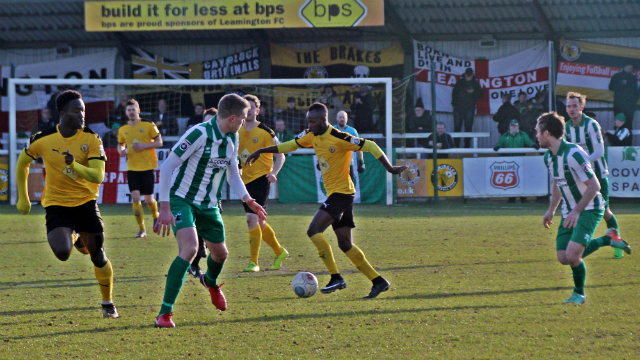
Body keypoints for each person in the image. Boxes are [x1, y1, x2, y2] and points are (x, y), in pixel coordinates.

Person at [245, 103, 407, 299]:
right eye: (308, 122)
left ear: (323, 120)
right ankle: (378, 281)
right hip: (337, 194)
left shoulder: (339, 137)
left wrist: (389, 168)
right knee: (345, 244)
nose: (309, 125)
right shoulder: (311, 135)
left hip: (343, 194)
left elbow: (370, 145)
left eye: (312, 122)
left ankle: (336, 277)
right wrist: (262, 151)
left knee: (313, 230)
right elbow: (289, 145)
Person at [152, 94, 266, 328]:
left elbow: (233, 174)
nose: (245, 122)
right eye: (243, 118)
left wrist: (249, 200)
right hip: (182, 199)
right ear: (233, 117)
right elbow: (166, 167)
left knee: (221, 254)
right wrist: (164, 207)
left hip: (210, 205)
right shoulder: (199, 134)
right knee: (190, 249)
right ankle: (164, 314)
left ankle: (210, 282)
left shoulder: (233, 138)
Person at [15, 90, 119, 319]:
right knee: (62, 252)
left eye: (83, 109)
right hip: (56, 204)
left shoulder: (92, 139)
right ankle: (73, 235)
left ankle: (107, 303)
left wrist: (75, 166)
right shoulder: (42, 139)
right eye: (77, 110)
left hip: (85, 203)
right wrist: (23, 198)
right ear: (62, 113)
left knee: (97, 255)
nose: (82, 114)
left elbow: (98, 176)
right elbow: (22, 163)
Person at [538, 111, 631, 304]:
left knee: (573, 255)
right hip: (569, 211)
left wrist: (576, 210)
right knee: (563, 257)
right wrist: (551, 209)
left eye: (538, 131)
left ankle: (579, 293)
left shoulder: (574, 153)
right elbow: (557, 183)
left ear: (547, 133)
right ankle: (608, 239)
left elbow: (595, 185)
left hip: (589, 208)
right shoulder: (549, 157)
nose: (536, 135)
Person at [565, 92, 625, 258]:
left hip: (597, 175)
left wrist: (584, 164)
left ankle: (616, 243)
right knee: (576, 208)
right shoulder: (567, 127)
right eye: (568, 106)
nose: (571, 109)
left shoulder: (591, 124)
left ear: (581, 107)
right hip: (579, 177)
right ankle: (574, 244)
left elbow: (600, 150)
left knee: (605, 211)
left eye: (574, 106)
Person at [237, 94, 288, 273]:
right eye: (246, 107)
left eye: (252, 107)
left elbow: (281, 155)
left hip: (261, 179)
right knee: (259, 222)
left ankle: (254, 262)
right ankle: (279, 252)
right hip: (244, 181)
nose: (249, 110)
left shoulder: (266, 131)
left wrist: (274, 173)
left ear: (257, 111)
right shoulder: (237, 130)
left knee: (251, 219)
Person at [117, 99, 163, 238]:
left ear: (138, 111)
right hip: (132, 168)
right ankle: (142, 229)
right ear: (126, 112)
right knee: (136, 198)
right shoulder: (123, 129)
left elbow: (159, 142)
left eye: (133, 109)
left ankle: (156, 216)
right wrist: (121, 150)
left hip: (147, 167)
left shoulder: (148, 125)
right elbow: (120, 144)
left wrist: (143, 146)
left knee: (149, 199)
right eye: (129, 110)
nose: (131, 112)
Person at [493, 119, 539, 203]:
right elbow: (500, 143)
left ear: (518, 126)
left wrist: (534, 145)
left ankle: (523, 197)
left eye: (515, 125)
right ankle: (511, 197)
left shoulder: (522, 135)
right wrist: (497, 146)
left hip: (520, 161)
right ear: (509, 126)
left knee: (521, 179)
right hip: (508, 162)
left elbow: (529, 142)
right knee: (511, 180)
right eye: (512, 125)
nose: (513, 127)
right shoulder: (505, 135)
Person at [452, 68, 483, 148]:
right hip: (459, 108)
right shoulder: (460, 82)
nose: (468, 76)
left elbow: (480, 95)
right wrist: (454, 104)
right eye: (467, 74)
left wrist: (473, 93)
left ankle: (467, 146)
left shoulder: (475, 83)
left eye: (470, 75)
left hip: (469, 108)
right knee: (457, 128)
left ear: (472, 75)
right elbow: (454, 93)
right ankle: (456, 146)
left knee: (468, 128)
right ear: (465, 74)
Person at [609, 61, 639, 130]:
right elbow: (611, 87)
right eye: (629, 66)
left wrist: (633, 103)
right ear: (624, 66)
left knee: (628, 125)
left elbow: (636, 92)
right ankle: (617, 139)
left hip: (629, 107)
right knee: (618, 124)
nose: (630, 68)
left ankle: (628, 140)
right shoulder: (617, 76)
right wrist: (622, 86)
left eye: (631, 67)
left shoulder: (633, 78)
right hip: (619, 105)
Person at [335, 110, 366, 176]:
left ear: (347, 119)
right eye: (340, 117)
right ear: (336, 118)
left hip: (348, 164)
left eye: (343, 117)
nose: (342, 119)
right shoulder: (332, 130)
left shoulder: (352, 131)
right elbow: (325, 145)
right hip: (334, 164)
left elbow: (358, 147)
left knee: (349, 185)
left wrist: (361, 162)